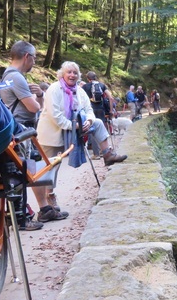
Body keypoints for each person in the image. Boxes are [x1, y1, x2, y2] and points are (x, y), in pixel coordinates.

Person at [35, 62, 127, 222]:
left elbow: (89, 110)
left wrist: (89, 121)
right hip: (52, 133)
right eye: (69, 72)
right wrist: (74, 125)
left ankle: (108, 154)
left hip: (74, 127)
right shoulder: (54, 89)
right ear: (62, 74)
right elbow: (54, 115)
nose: (72, 75)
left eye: (75, 73)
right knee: (49, 168)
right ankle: (47, 204)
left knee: (98, 123)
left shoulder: (80, 91)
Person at [0, 40, 49, 231]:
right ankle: (22, 220)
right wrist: (39, 96)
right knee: (22, 173)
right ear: (27, 56)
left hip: (14, 128)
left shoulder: (6, 75)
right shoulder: (17, 77)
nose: (34, 62)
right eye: (34, 58)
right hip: (21, 131)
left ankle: (23, 214)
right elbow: (34, 108)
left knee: (19, 174)